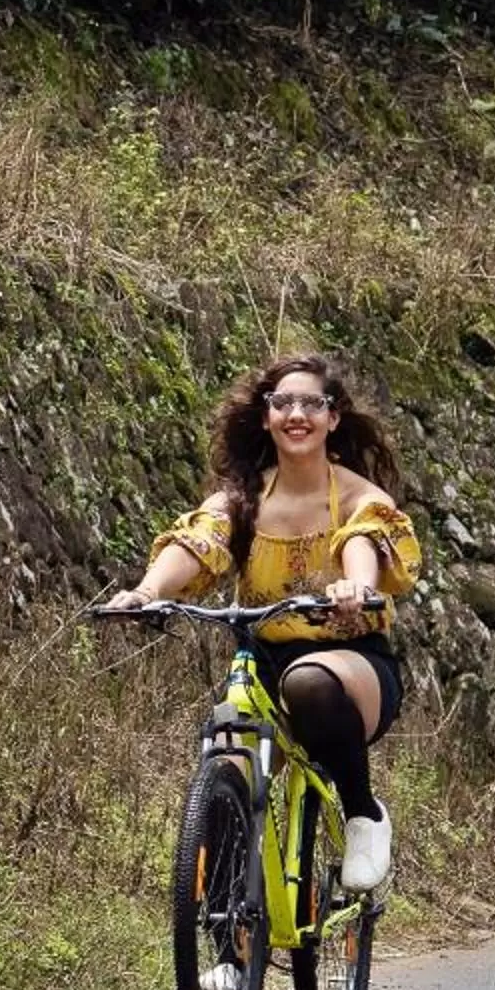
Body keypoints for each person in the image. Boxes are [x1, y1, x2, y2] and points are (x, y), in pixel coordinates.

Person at [103, 349, 421, 898]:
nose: (297, 415)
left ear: (333, 417)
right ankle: (230, 955)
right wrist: (147, 592)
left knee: (309, 683)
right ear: (267, 415)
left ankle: (363, 815)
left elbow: (364, 541)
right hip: (261, 660)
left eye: (311, 404)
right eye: (283, 403)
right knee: (225, 766)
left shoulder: (357, 496)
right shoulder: (243, 499)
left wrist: (356, 587)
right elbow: (198, 542)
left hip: (350, 665)